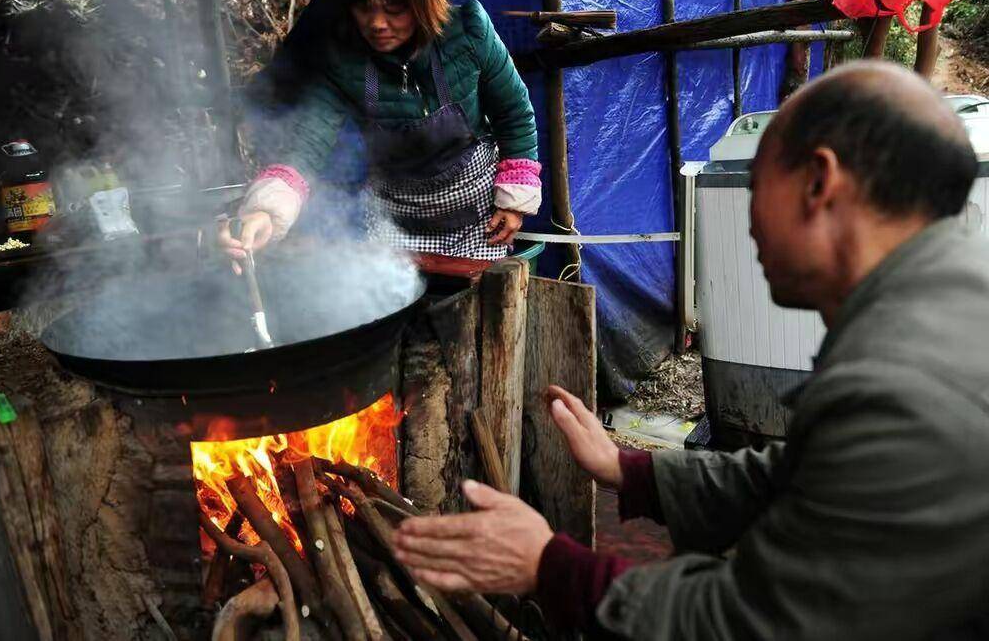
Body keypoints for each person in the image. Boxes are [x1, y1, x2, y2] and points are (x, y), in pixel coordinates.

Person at [392, 61, 989, 639]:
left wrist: (550, 567)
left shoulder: (911, 384)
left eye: (757, 188)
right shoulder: (941, 305)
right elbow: (796, 475)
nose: (749, 224)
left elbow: (753, 623)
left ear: (818, 183)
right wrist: (630, 472)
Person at [219, 0, 540, 268]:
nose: (377, 24)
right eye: (364, 8)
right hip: (392, 219)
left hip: (475, 219)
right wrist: (266, 212)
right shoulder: (342, 60)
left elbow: (514, 112)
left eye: (393, 9)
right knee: (396, 305)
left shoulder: (469, 33)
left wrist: (512, 201)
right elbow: (307, 144)